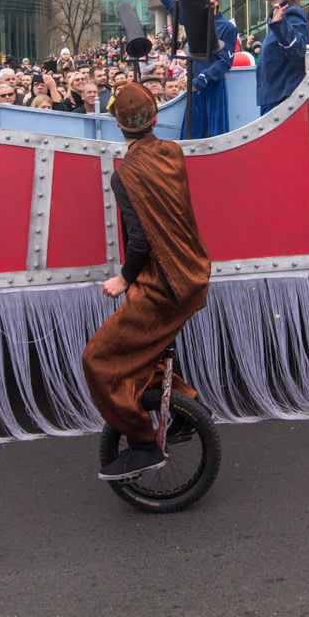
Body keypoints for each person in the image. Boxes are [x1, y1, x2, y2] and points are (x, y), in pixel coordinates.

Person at [82, 84, 213, 480]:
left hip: (164, 286)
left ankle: (142, 443)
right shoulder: (173, 153)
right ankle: (188, 411)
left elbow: (140, 239)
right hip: (192, 274)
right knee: (145, 352)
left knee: (100, 361)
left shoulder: (126, 176)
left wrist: (123, 279)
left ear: (118, 126)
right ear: (156, 119)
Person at [149, 0, 237, 138]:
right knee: (192, 133)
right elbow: (170, 5)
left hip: (213, 86)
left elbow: (225, 62)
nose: (208, 5)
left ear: (217, 3)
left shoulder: (227, 27)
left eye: (211, 3)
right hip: (195, 86)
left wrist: (204, 78)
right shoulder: (193, 22)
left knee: (215, 134)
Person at [255, 0, 309, 114]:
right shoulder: (277, 17)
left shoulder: (293, 13)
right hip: (273, 98)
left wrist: (281, 25)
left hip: (283, 100)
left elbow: (299, 49)